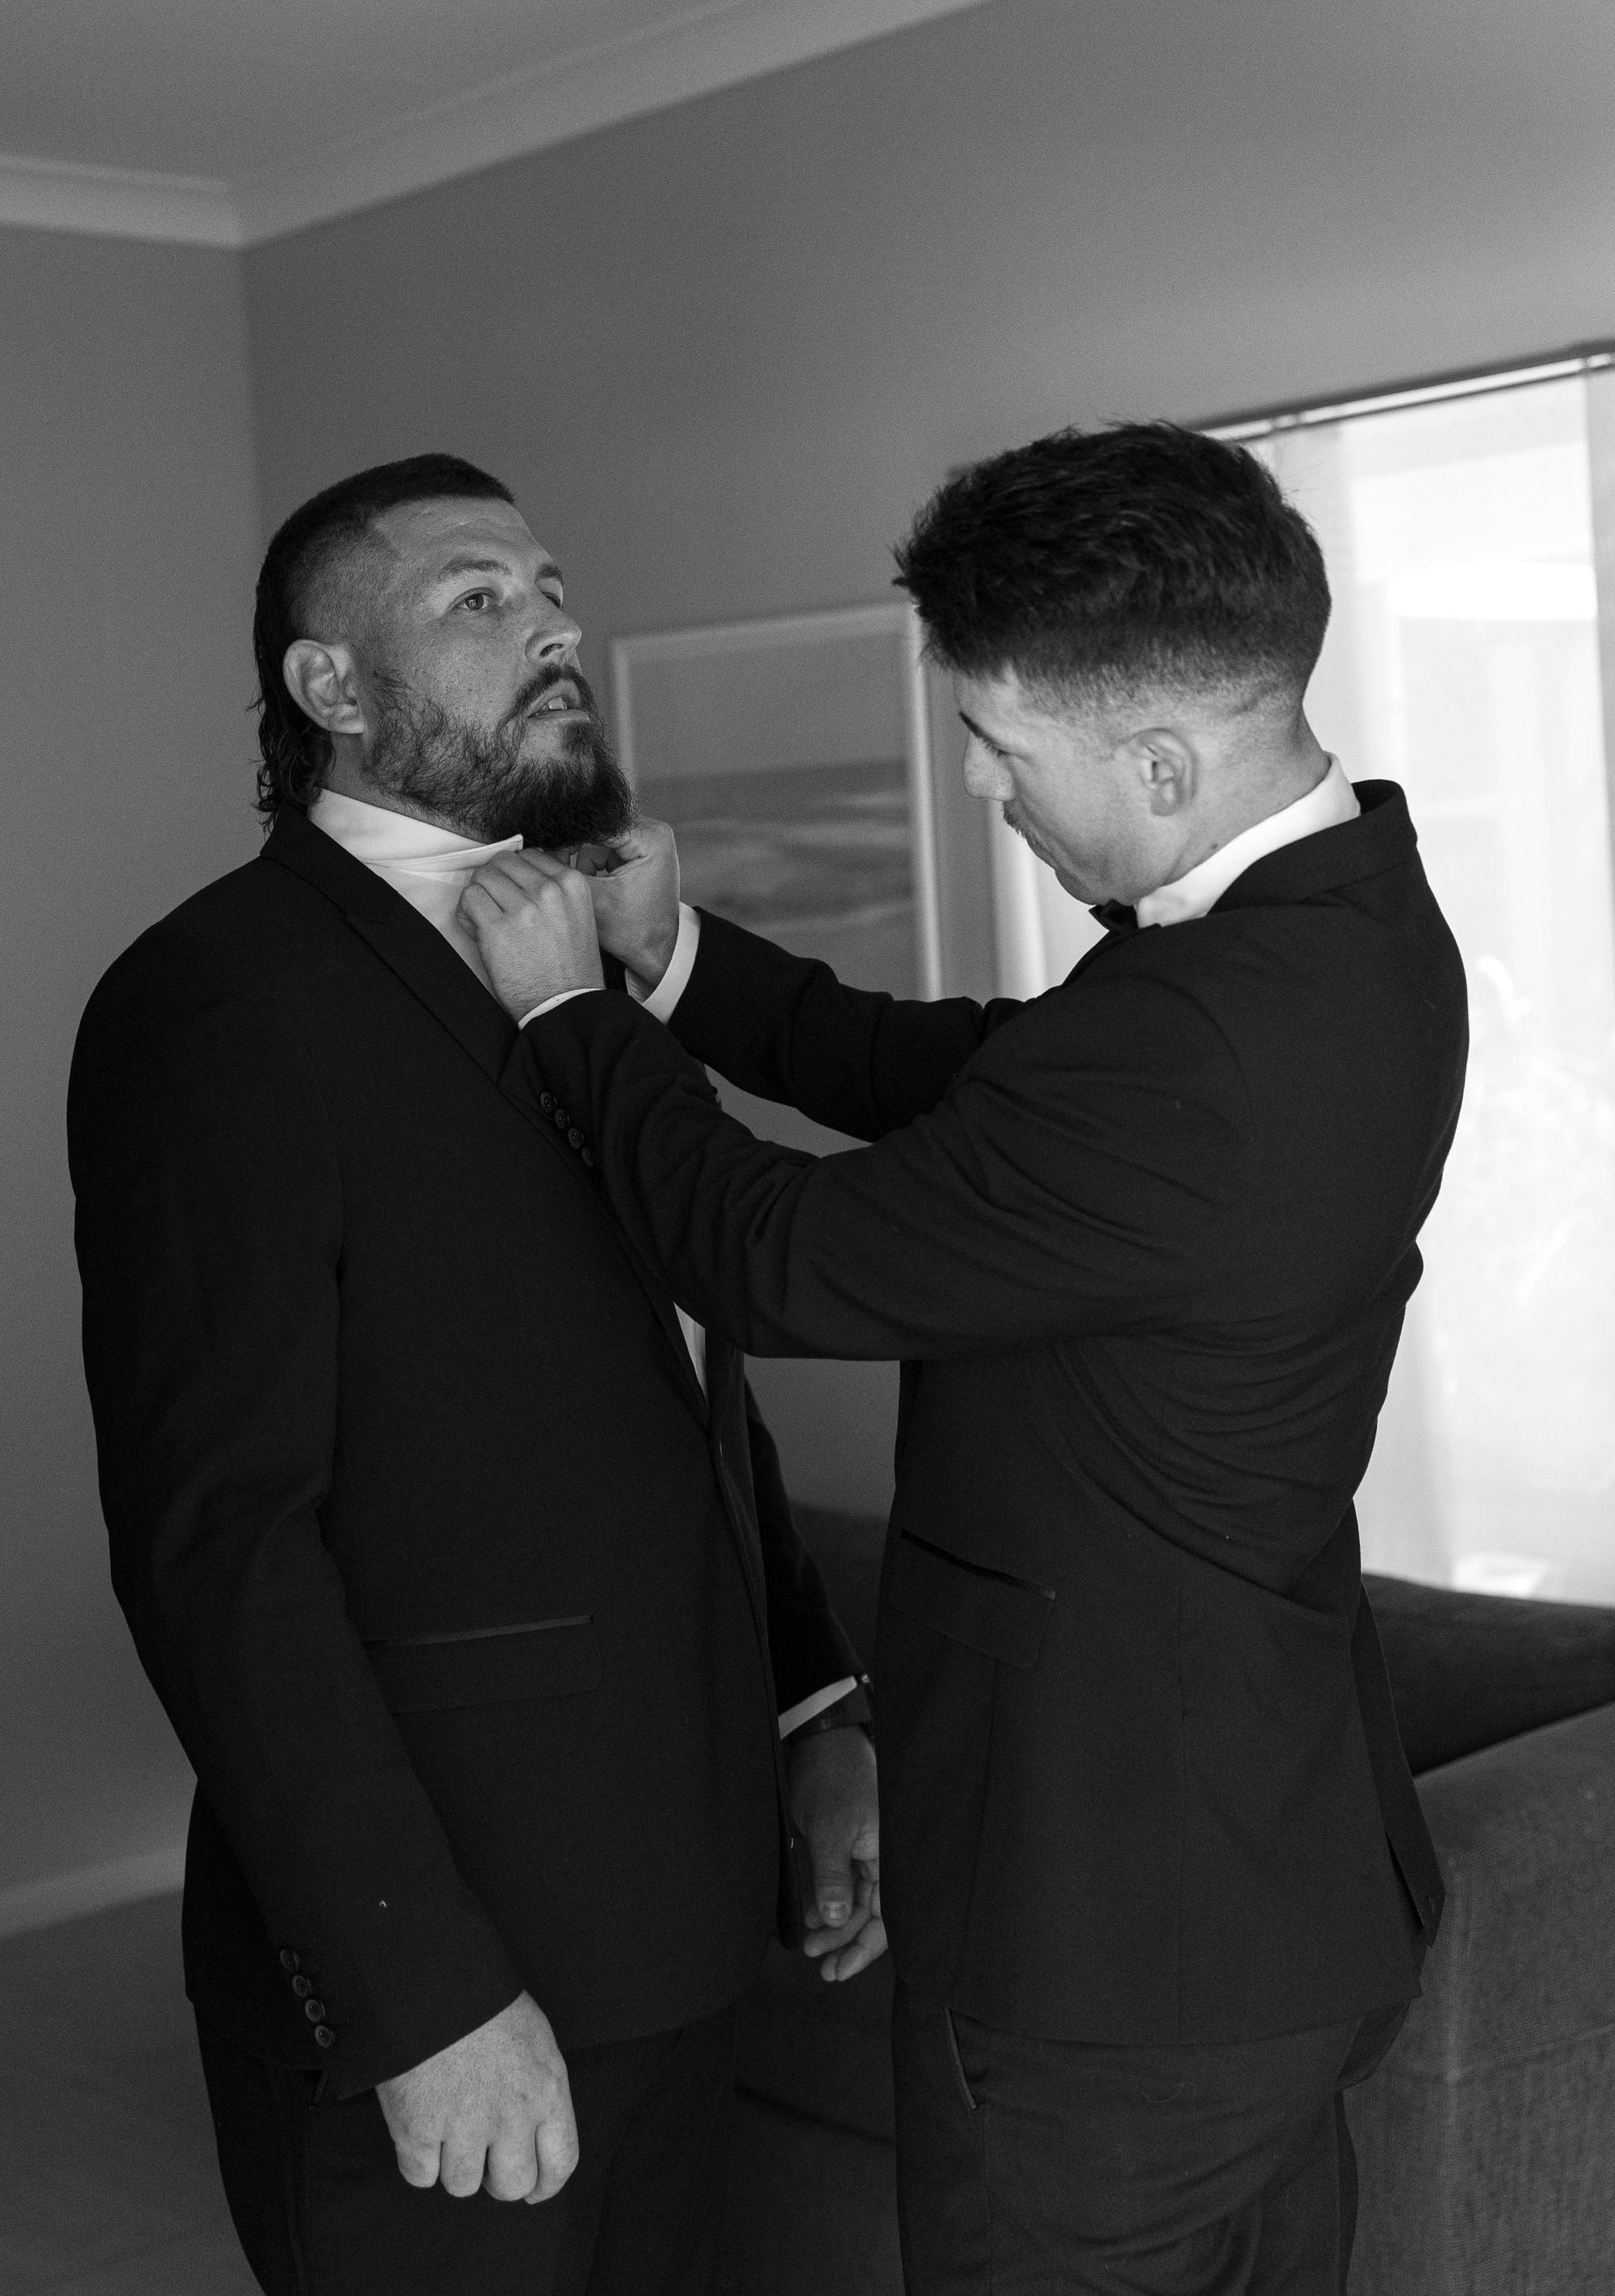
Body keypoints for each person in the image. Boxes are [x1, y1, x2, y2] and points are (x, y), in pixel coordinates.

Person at [453, 424, 1469, 2295]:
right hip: (1272, 1900)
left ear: (1160, 763)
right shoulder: (1346, 922)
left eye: (1001, 745)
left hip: (1115, 1954)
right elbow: (990, 1082)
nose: (984, 786)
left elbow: (775, 1258)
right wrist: (685, 961)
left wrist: (576, 1019)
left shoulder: (1196, 1047)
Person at [66, 453, 883, 2296]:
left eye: (553, 589)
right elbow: (219, 1544)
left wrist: (811, 1709)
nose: (553, 627)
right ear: (332, 687)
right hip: (448, 1975)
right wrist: (423, 1991)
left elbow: (679, 1368)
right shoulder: (216, 1003)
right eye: (478, 599)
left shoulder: (594, 956)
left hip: (684, 1929)